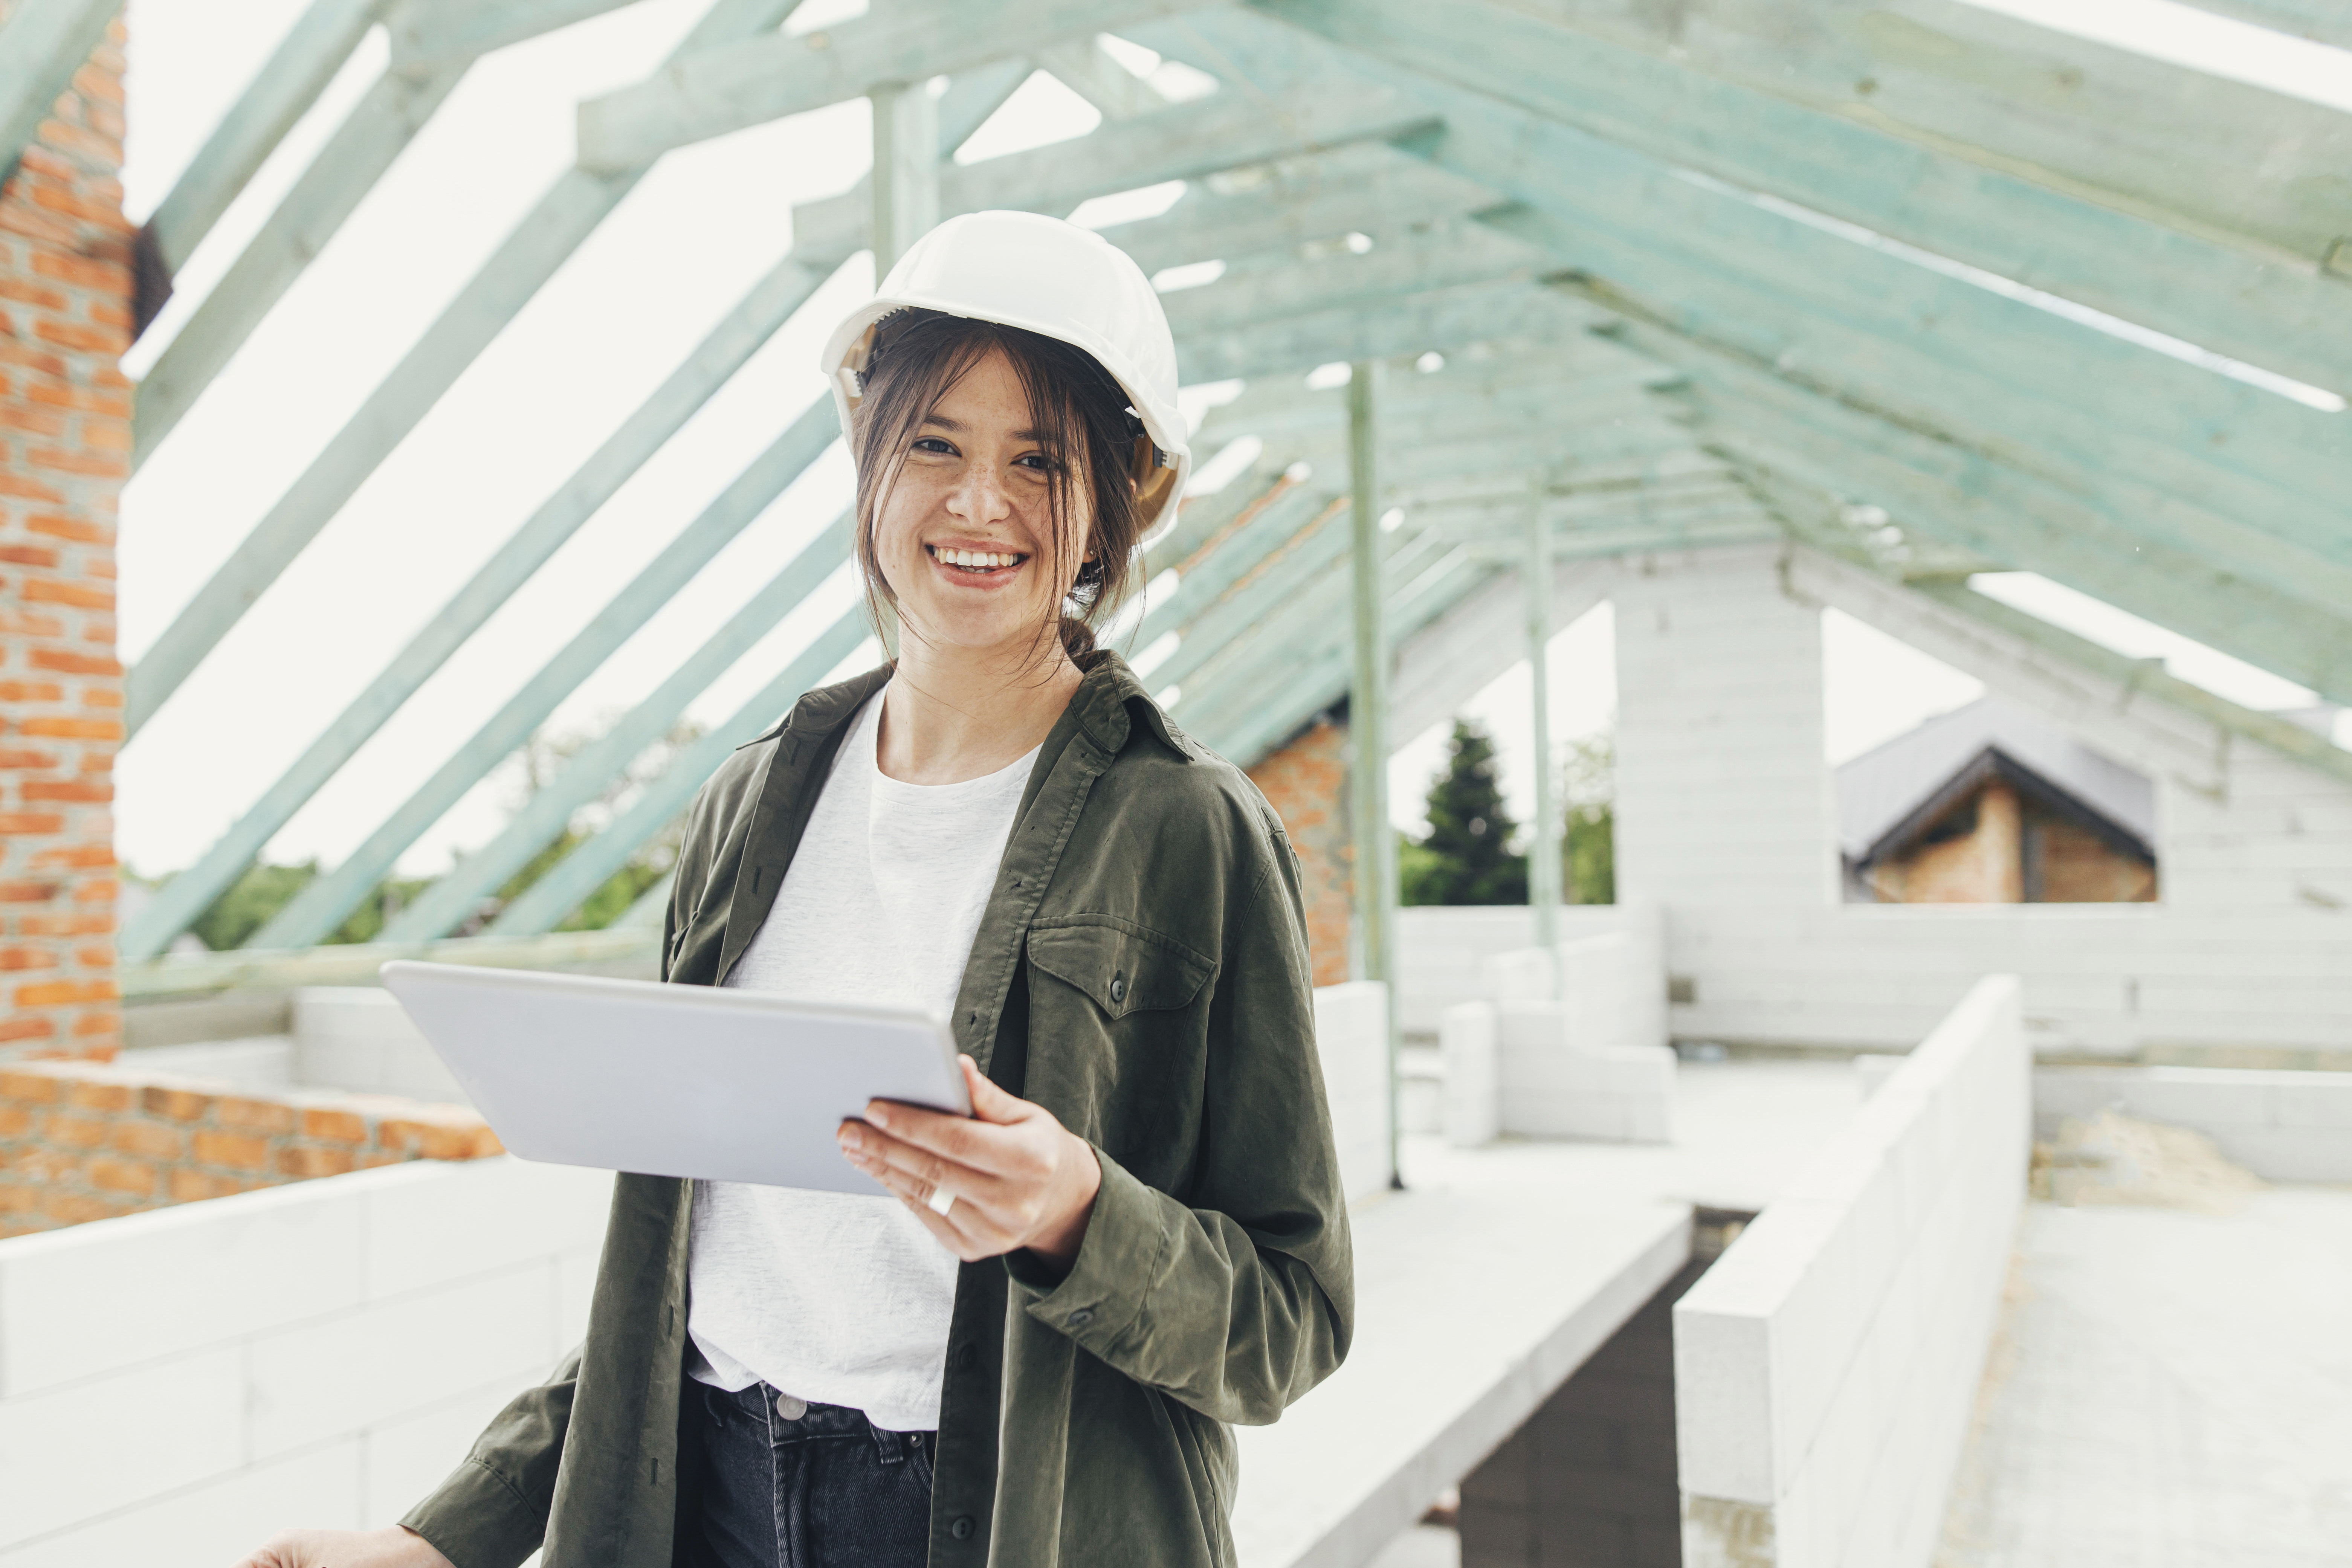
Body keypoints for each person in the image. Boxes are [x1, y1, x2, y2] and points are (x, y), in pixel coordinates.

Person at [235, 209, 1353, 1568]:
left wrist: (1076, 1214)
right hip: (707, 1489)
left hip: (989, 1518)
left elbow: (1292, 1320)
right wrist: (440, 1539)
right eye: (933, 443)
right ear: (867, 458)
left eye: (1039, 461)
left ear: (1120, 504)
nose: (979, 504)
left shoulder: (1190, 828)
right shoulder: (749, 805)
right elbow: (673, 1276)